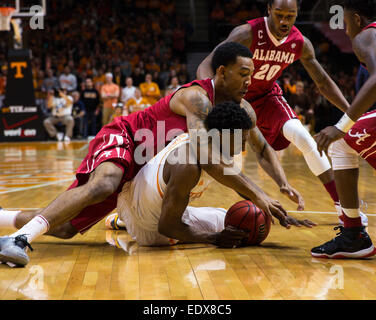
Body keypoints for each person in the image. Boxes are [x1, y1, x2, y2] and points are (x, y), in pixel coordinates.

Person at [0, 42, 304, 267]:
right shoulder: (196, 97)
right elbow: (202, 151)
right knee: (104, 184)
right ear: (222, 73)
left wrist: (282, 184)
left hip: (146, 169)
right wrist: (258, 195)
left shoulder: (242, 108)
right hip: (129, 138)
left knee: (66, 229)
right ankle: (19, 239)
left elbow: (261, 147)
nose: (249, 81)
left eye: (252, 75)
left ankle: (4, 219)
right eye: (243, 74)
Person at [196, 0, 368, 226]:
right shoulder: (247, 32)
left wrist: (350, 114)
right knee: (226, 162)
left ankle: (343, 207)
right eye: (279, 15)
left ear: (297, 14)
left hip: (268, 98)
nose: (284, 21)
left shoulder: (300, 43)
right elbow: (206, 64)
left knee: (303, 136)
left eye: (290, 16)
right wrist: (213, 100)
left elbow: (323, 82)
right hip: (236, 97)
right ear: (268, 9)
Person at [112, 102, 315, 247]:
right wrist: (215, 238)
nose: (244, 145)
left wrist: (277, 212)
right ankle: (129, 223)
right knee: (236, 229)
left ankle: (120, 221)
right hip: (153, 231)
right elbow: (167, 227)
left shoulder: (203, 142)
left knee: (230, 217)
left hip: (132, 200)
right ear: (220, 135)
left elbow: (240, 185)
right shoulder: (187, 165)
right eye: (240, 139)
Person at [311, 0, 376, 259]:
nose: (346, 29)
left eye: (346, 23)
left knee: (339, 141)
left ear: (357, 20)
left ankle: (353, 235)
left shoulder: (365, 36)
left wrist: (342, 125)